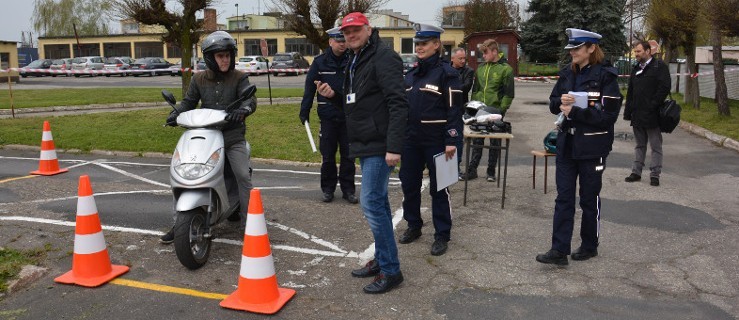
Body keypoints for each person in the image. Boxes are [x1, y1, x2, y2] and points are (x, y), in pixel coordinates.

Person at [315, 12, 409, 294]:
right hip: (366, 141)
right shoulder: (357, 57)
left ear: (368, 29)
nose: (351, 35)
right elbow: (359, 96)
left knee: (370, 203)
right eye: (347, 32)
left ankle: (391, 271)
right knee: (377, 204)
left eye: (356, 30)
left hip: (380, 144)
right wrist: (335, 94)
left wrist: (394, 146)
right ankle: (382, 260)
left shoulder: (384, 56)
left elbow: (397, 103)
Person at [160, 31, 257, 244]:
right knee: (181, 170)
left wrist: (244, 110)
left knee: (242, 174)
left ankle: (251, 222)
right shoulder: (198, 79)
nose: (225, 59)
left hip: (232, 137)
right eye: (220, 56)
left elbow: (249, 100)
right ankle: (179, 223)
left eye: (228, 55)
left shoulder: (240, 77)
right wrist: (175, 113)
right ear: (210, 58)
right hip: (203, 134)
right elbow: (189, 102)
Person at [535, 28, 622, 265]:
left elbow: (609, 116)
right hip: (567, 145)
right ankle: (559, 250)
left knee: (588, 198)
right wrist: (560, 102)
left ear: (591, 49)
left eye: (577, 48)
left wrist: (578, 111)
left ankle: (589, 244)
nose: (572, 52)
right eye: (571, 48)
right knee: (563, 198)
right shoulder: (567, 74)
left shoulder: (606, 77)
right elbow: (553, 104)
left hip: (593, 147)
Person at [397, 24, 463, 256]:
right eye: (417, 44)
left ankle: (442, 234)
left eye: (424, 43)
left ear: (436, 45)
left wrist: (451, 140)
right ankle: (414, 225)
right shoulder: (411, 75)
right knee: (409, 185)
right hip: (411, 141)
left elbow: (455, 110)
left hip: (438, 142)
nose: (420, 48)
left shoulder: (448, 73)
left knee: (440, 189)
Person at [299, 27, 357, 204]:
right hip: (328, 117)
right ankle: (328, 189)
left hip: (348, 116)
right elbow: (309, 88)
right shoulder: (320, 62)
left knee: (349, 155)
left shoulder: (353, 60)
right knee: (328, 155)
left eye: (344, 41)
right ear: (330, 42)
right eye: (338, 41)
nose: (342, 44)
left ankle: (348, 190)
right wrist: (305, 110)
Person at [460, 38, 514, 182]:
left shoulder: (506, 70)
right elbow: (476, 90)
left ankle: (491, 172)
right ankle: (472, 170)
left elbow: (509, 94)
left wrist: (501, 111)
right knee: (477, 141)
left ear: (494, 52)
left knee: (495, 143)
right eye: (482, 53)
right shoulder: (481, 69)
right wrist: (473, 107)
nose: (483, 56)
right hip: (480, 111)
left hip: (495, 112)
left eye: (485, 53)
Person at [623, 40, 671, 187]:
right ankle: (636, 172)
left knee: (655, 145)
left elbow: (664, 87)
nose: (636, 54)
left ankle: (655, 174)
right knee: (639, 145)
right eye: (635, 52)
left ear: (648, 51)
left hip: (652, 114)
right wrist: (628, 111)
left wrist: (653, 104)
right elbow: (631, 91)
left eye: (638, 51)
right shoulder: (636, 67)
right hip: (637, 113)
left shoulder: (659, 66)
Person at [450, 47, 474, 179]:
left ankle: (456, 168)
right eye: (460, 58)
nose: (463, 61)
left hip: (460, 109)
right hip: (445, 109)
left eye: (464, 58)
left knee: (458, 139)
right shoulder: (445, 69)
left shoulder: (468, 71)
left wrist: (449, 89)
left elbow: (466, 86)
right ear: (452, 58)